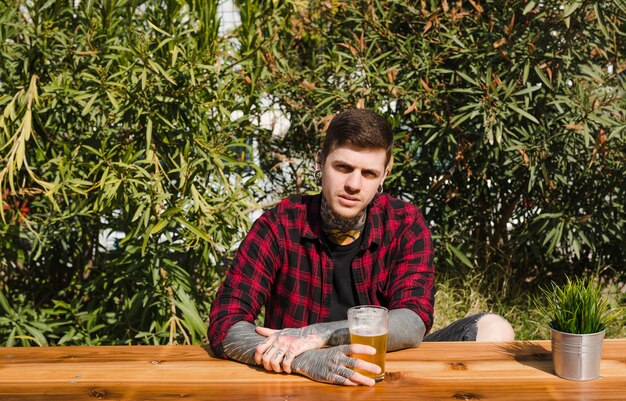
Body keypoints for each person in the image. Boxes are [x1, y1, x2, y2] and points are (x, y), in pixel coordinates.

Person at [208, 108, 514, 386]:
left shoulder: (404, 223)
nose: (354, 184)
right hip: (297, 382)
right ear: (321, 163)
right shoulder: (278, 225)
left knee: (493, 328)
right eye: (343, 167)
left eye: (368, 173)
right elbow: (226, 324)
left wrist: (311, 337)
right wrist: (303, 359)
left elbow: (412, 321)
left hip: (387, 374)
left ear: (384, 174)